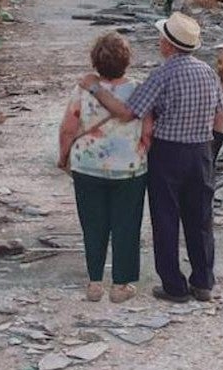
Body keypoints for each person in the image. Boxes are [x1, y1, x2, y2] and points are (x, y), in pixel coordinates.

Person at [79, 12, 223, 303]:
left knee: (166, 219)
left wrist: (94, 86)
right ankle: (203, 283)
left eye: (162, 38)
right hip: (201, 152)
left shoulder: (162, 75)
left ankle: (174, 286)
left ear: (169, 46)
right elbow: (221, 117)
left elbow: (127, 112)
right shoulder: (207, 71)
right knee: (200, 219)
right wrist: (212, 151)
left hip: (168, 153)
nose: (160, 42)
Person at [58, 32, 153, 303]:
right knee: (126, 225)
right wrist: (144, 151)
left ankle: (95, 282)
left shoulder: (82, 90)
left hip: (88, 166)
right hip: (130, 168)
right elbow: (148, 131)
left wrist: (63, 156)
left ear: (95, 62)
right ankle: (121, 285)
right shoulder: (139, 90)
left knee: (93, 224)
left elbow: (68, 128)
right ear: (127, 61)